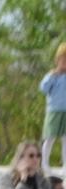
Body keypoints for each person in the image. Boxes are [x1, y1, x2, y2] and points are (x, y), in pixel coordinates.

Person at [40, 43, 66, 176]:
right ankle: (44, 163)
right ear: (58, 60)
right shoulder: (52, 75)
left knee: (65, 139)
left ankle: (65, 165)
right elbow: (43, 89)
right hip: (54, 110)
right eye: (64, 59)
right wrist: (52, 76)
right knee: (49, 137)